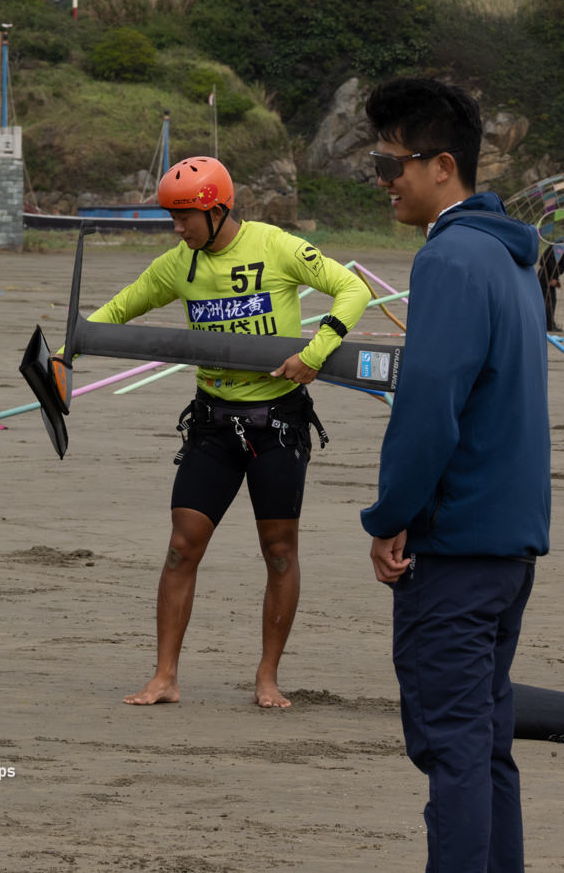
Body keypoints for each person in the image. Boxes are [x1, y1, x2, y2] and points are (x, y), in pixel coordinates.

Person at [80, 156, 370, 709]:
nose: (178, 228)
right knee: (181, 547)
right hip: (212, 424)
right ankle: (164, 677)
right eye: (173, 217)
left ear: (216, 210)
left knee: (279, 551)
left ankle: (267, 677)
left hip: (277, 424)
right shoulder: (177, 265)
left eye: (185, 216)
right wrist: (73, 343)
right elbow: (119, 309)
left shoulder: (276, 246)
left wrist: (317, 350)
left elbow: (350, 289)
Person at [361, 76, 549, 873]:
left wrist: (389, 515)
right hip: (509, 548)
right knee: (486, 745)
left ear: (443, 166)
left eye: (390, 164)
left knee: (454, 752)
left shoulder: (449, 258)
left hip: (458, 547)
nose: (384, 181)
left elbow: (429, 403)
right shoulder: (511, 259)